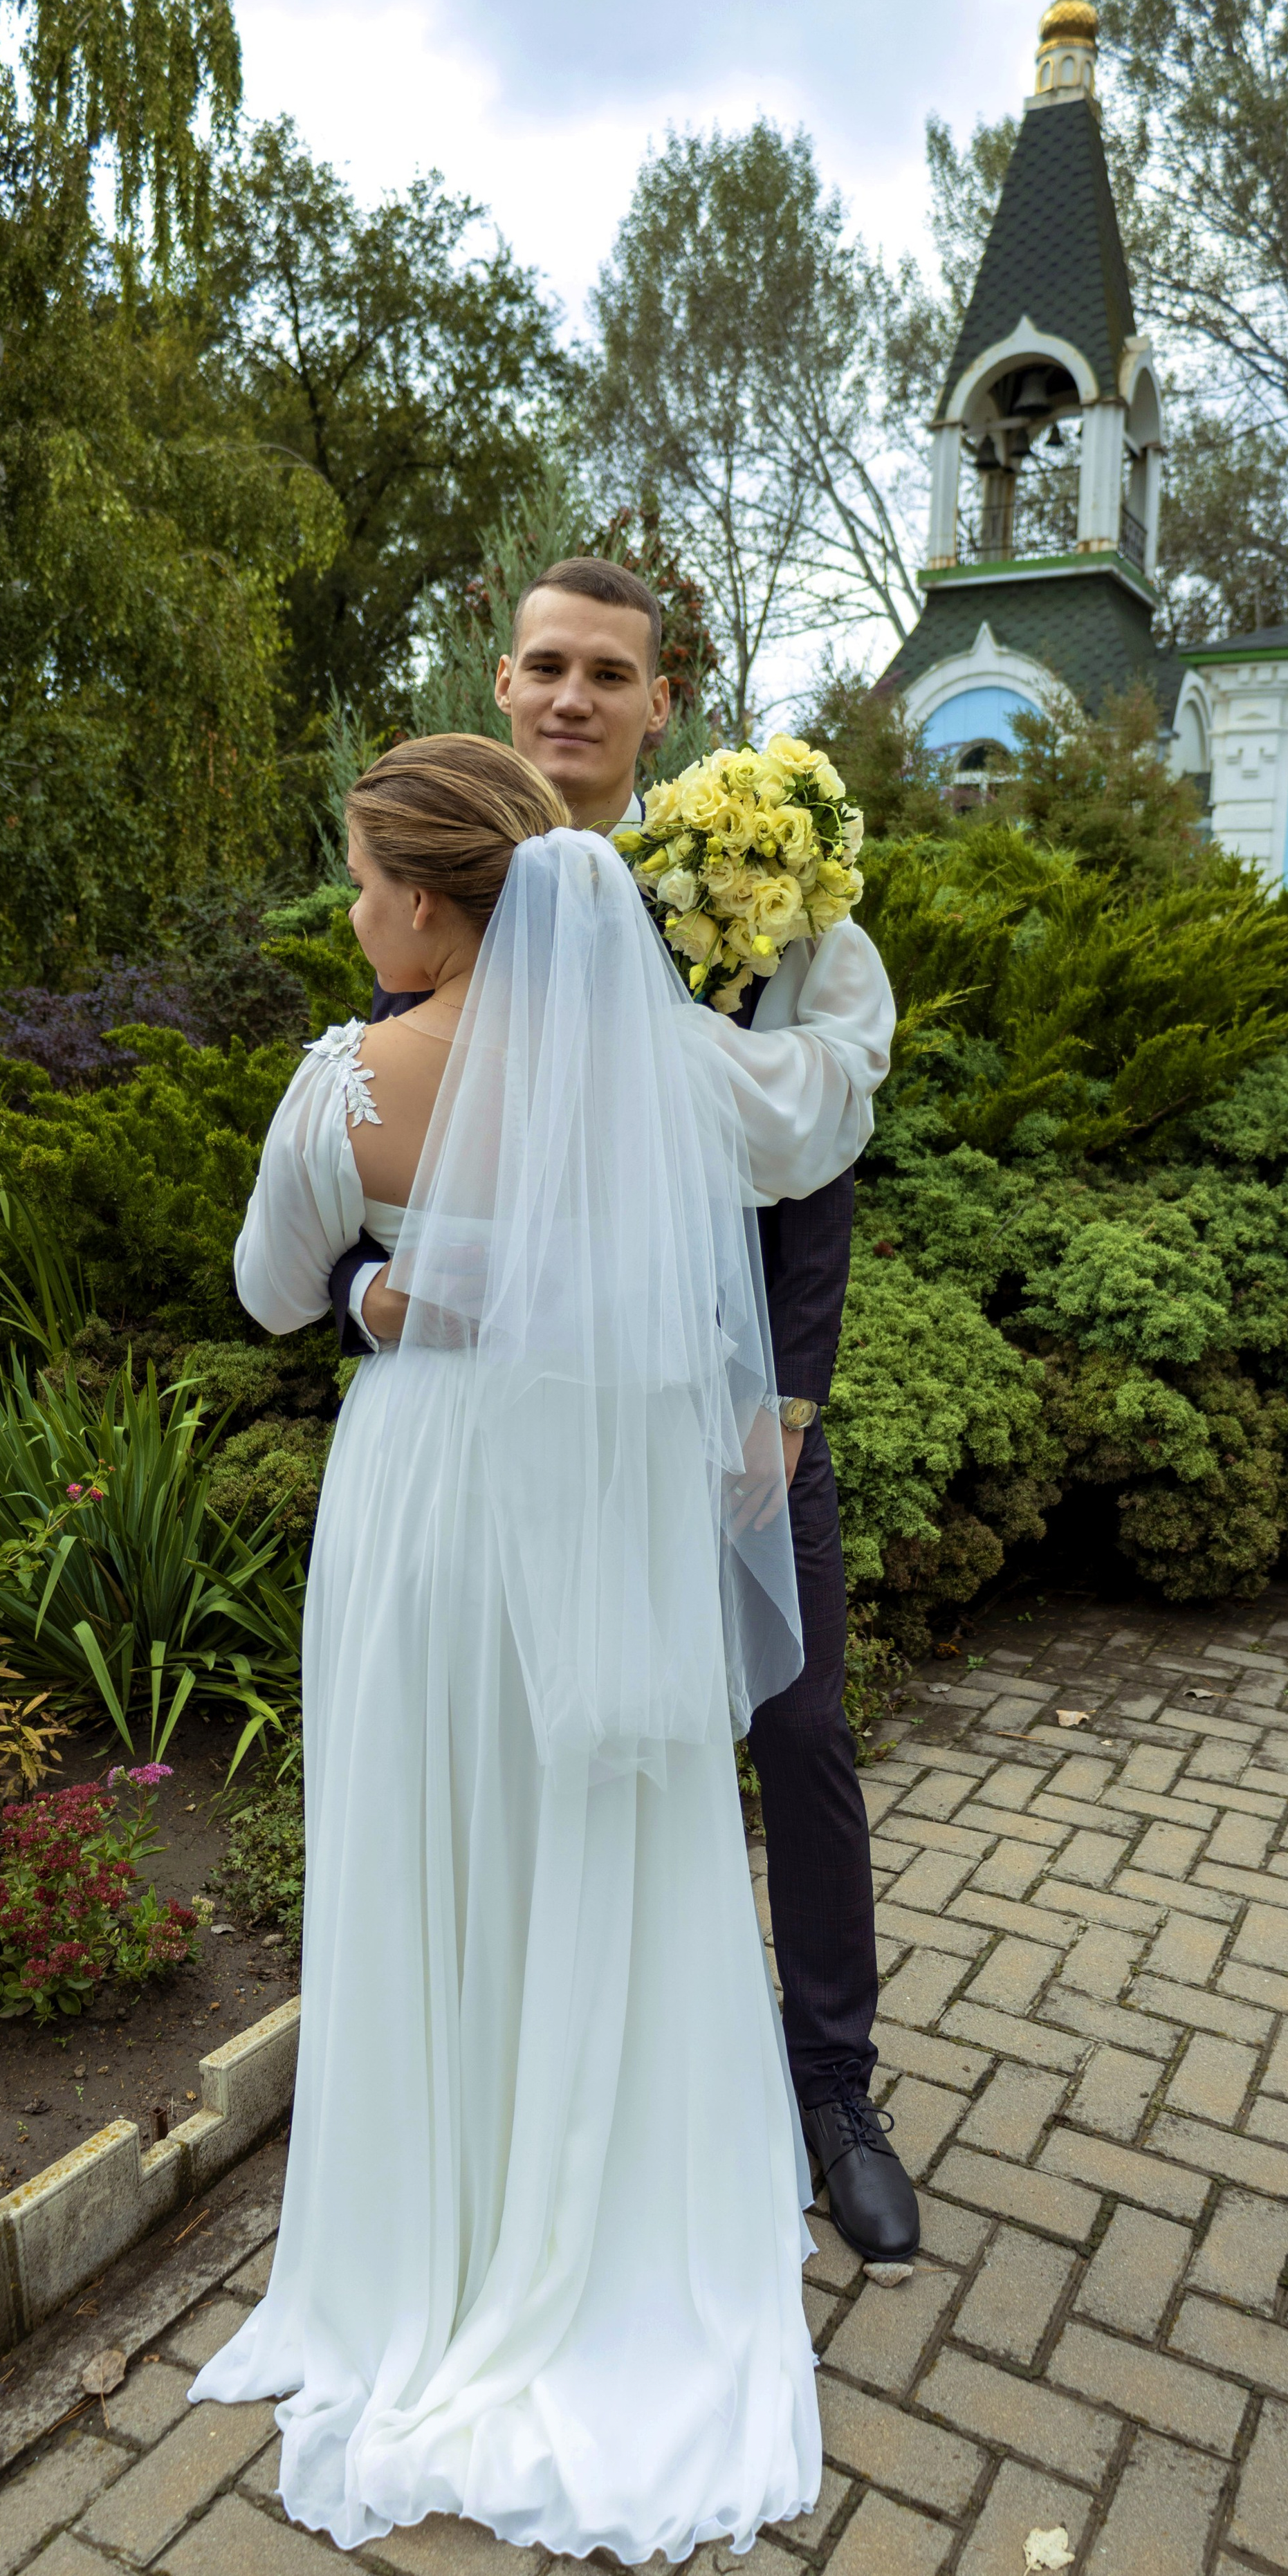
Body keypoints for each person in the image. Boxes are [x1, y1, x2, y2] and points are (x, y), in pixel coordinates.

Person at [193, 735, 820, 2557]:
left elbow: (265, 1284)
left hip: (434, 1499)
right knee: (594, 1849)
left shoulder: (354, 1080)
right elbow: (683, 1301)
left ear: (434, 901)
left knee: (426, 1843)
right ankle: (621, 2220)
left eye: (366, 879)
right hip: (597, 1507)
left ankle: (426, 2244)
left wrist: (383, 1286)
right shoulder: (634, 1073)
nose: (353, 907)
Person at [326, 558, 919, 2267]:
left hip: (729, 1410)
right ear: (502, 688)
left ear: (665, 705)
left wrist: (789, 1397)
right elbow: (373, 1179)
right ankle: (550, 2102)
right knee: (560, 1752)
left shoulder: (753, 888)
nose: (571, 696)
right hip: (522, 1440)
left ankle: (829, 2089)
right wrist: (366, 1312)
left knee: (793, 1726)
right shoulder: (431, 890)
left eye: (610, 673)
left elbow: (822, 1173)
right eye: (544, 667)